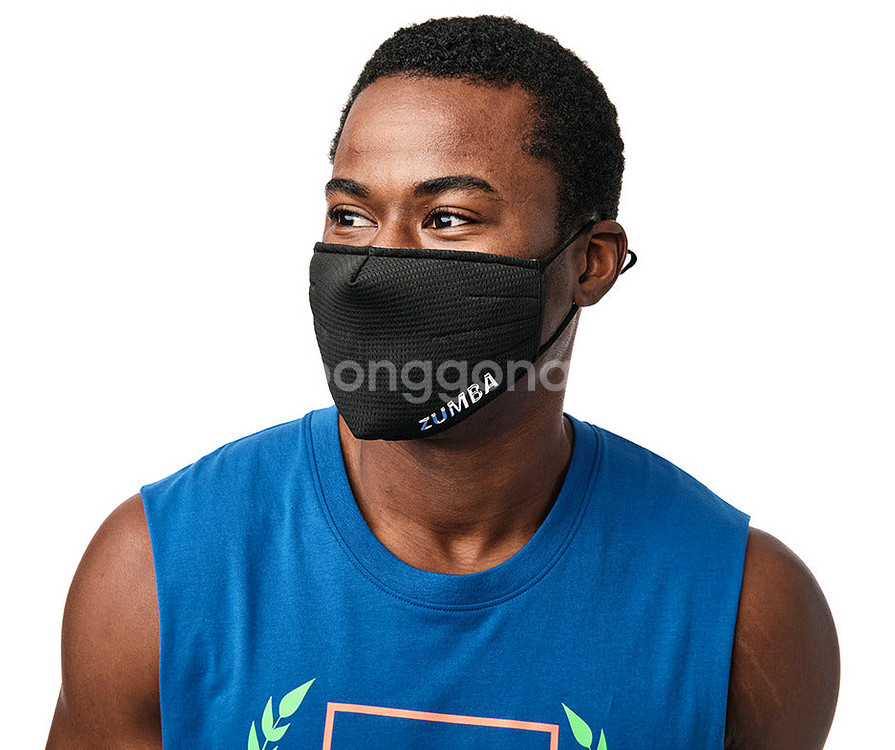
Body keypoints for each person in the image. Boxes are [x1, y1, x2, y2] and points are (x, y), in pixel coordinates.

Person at [46, 15, 840, 750]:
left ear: (590, 263)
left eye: (448, 218)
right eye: (351, 217)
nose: (378, 267)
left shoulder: (744, 612)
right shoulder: (156, 572)